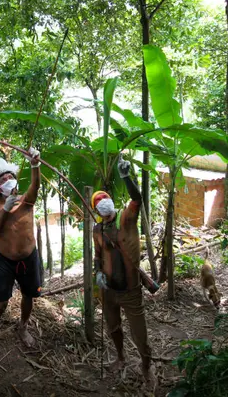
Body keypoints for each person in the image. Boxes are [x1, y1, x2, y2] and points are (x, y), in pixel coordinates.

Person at [92, 155, 157, 392]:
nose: (103, 201)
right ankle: (120, 357)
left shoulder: (126, 218)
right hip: (108, 291)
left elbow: (137, 199)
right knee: (113, 328)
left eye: (105, 198)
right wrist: (98, 272)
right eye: (98, 201)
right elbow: (98, 256)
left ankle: (147, 367)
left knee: (140, 334)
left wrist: (126, 176)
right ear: (96, 210)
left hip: (130, 290)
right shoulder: (97, 230)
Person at [0, 148, 41, 361]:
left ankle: (22, 327)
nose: (8, 180)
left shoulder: (26, 200)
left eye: (11, 177)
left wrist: (34, 165)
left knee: (28, 296)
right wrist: (6, 209)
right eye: (4, 179)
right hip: (6, 261)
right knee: (0, 303)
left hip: (29, 257)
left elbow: (36, 185)